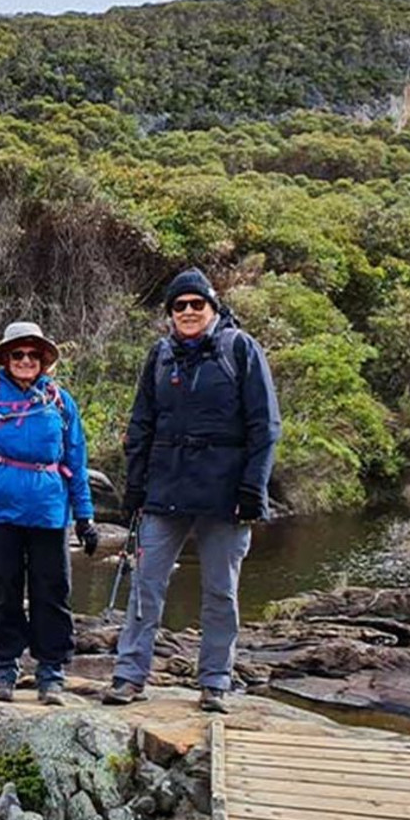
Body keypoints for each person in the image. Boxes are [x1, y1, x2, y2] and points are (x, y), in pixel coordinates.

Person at [106, 268, 280, 713]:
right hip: (164, 489)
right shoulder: (159, 356)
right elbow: (141, 425)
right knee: (146, 585)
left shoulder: (240, 350)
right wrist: (134, 489)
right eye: (178, 305)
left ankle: (215, 682)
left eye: (195, 304)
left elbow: (265, 427)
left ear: (212, 308)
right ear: (169, 314)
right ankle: (129, 676)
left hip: (224, 495)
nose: (187, 311)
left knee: (221, 591)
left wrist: (252, 491)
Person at [0, 321, 98, 706]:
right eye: (17, 354)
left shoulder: (60, 402)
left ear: (43, 360)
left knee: (51, 591)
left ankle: (51, 672)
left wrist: (85, 518)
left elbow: (76, 460)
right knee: (5, 590)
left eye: (33, 354)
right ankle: (4, 668)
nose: (25, 360)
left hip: (50, 510)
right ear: (5, 357)